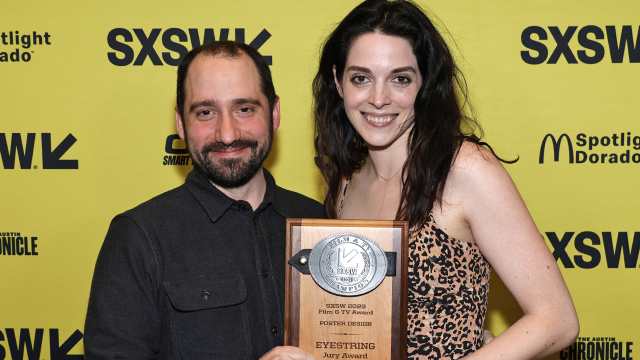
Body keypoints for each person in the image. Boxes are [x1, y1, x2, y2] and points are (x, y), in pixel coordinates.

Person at [313, 0, 579, 359]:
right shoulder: (348, 182)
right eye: (361, 78)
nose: (378, 98)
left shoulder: (463, 169)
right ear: (338, 81)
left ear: (424, 83)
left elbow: (557, 320)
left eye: (400, 79)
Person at [84, 41, 323, 360]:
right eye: (206, 112)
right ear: (181, 123)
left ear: (274, 113)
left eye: (244, 109)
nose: (226, 133)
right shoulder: (138, 237)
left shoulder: (322, 222)